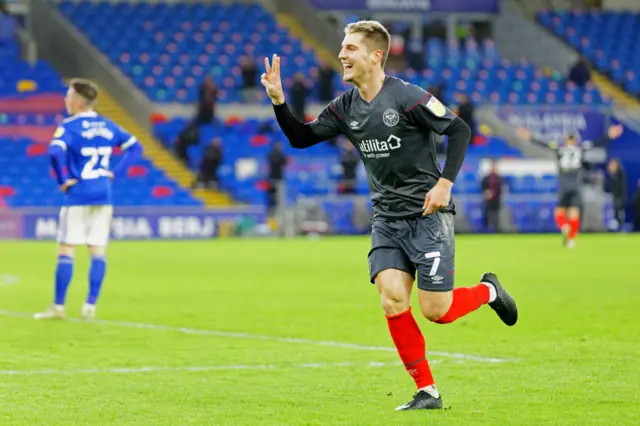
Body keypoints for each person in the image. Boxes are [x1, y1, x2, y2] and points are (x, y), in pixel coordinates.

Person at [261, 20, 518, 411]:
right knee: (392, 300)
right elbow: (301, 138)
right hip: (386, 220)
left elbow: (460, 129)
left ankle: (488, 291)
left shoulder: (408, 97)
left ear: (374, 55)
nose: (342, 55)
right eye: (342, 48)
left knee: (437, 311)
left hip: (428, 216)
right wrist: (279, 102)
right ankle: (427, 391)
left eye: (350, 48)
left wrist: (445, 183)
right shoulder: (345, 106)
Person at [35, 79, 143, 320]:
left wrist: (63, 179)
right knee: (97, 250)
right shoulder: (107, 125)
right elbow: (135, 148)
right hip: (103, 192)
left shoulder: (70, 126)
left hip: (79, 192)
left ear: (77, 101)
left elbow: (55, 151)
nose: (66, 100)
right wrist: (115, 173)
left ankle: (59, 307)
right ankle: (90, 304)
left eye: (68, 96)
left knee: (66, 249)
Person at [518, 124, 623, 248]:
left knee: (559, 212)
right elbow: (596, 143)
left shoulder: (560, 150)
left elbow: (545, 145)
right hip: (576, 186)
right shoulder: (580, 149)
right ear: (576, 140)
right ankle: (571, 240)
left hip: (564, 185)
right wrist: (609, 136)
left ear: (566, 140)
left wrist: (530, 137)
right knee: (574, 212)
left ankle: (564, 227)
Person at [481, 160, 503, 232]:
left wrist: (493, 193)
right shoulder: (486, 177)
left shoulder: (499, 178)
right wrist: (486, 193)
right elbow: (483, 186)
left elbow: (500, 188)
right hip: (487, 198)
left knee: (496, 213)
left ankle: (496, 228)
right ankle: (486, 228)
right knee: (486, 213)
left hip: (496, 198)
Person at [606, 158, 627, 230]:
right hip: (610, 199)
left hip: (619, 198)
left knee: (619, 213)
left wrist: (621, 198)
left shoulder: (621, 174)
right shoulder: (609, 175)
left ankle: (620, 227)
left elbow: (623, 187)